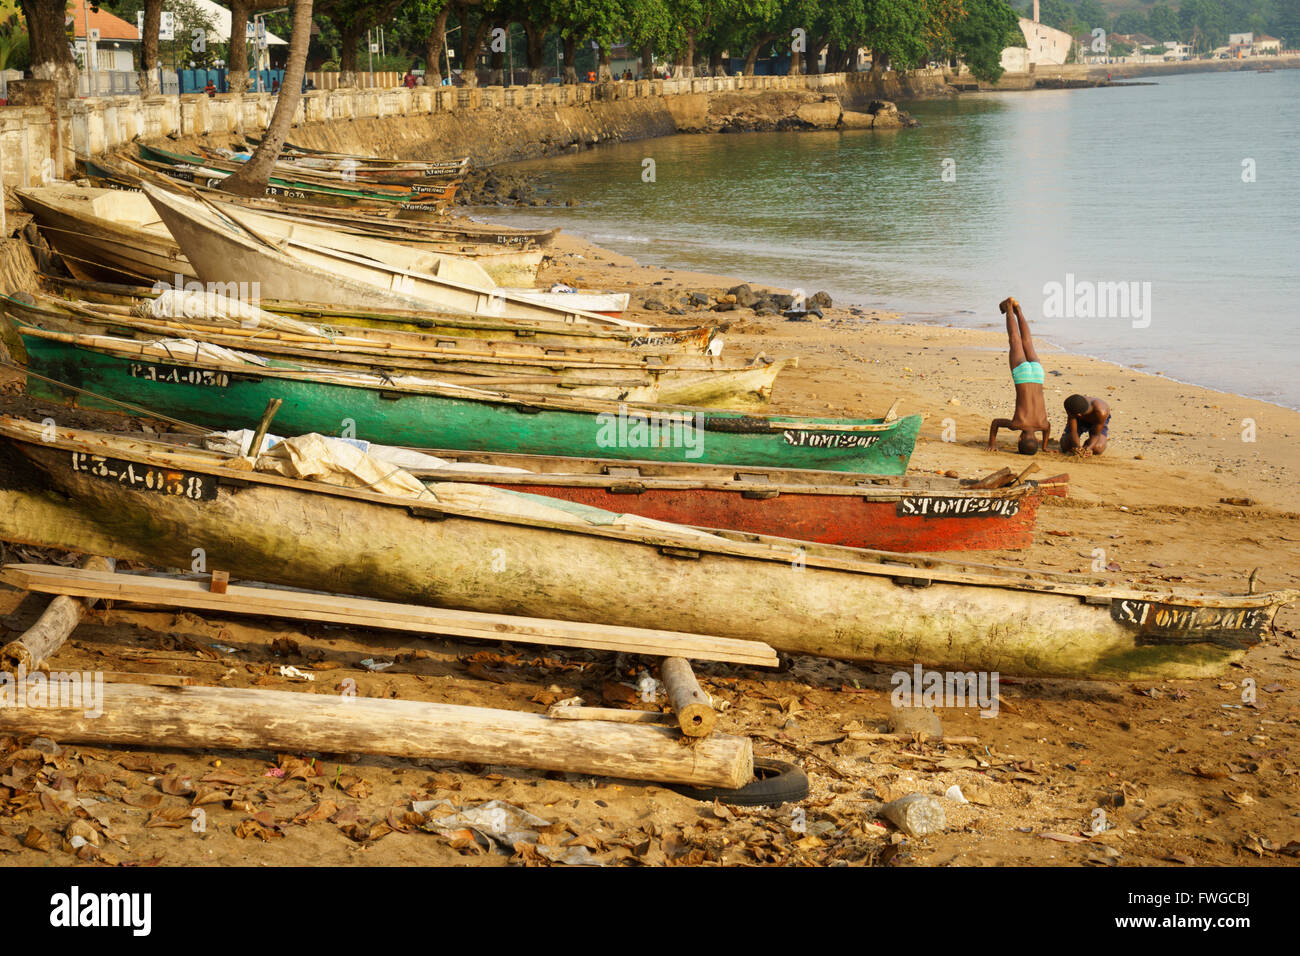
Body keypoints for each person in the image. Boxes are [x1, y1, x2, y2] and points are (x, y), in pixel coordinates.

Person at [987, 296, 1050, 455]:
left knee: (1028, 342)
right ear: (1020, 439)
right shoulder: (1017, 424)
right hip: (1022, 376)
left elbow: (1048, 429)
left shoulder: (1043, 424)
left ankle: (1018, 310)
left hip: (1037, 375)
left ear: (1035, 440)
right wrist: (992, 443)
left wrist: (1045, 446)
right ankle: (1009, 307)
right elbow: (995, 423)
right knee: (1015, 340)